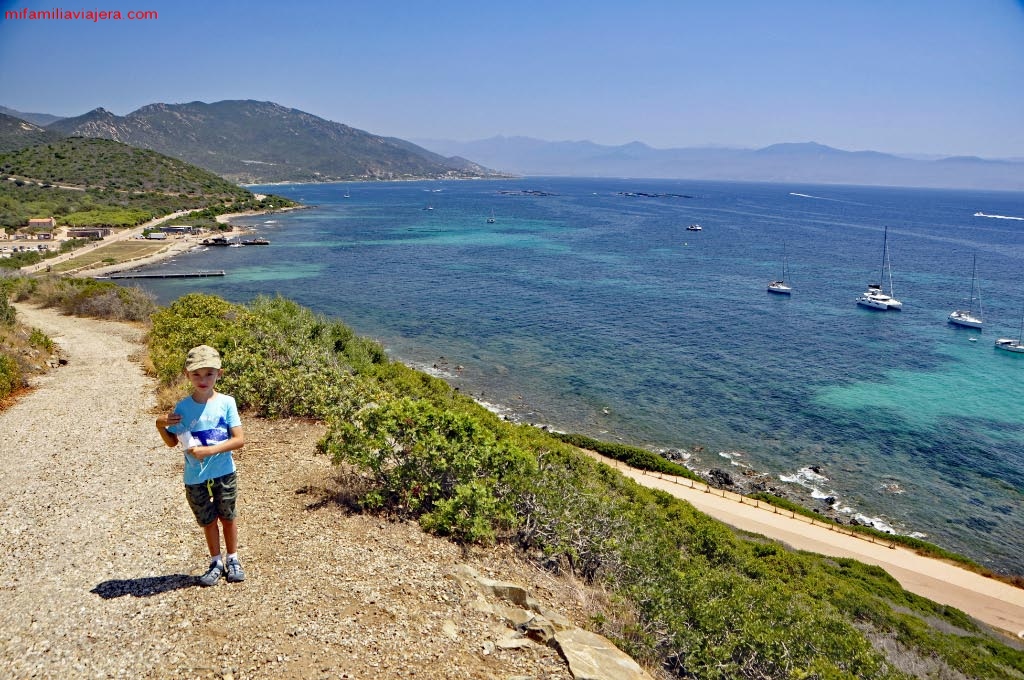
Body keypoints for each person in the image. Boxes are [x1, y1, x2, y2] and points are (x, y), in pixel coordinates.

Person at [156, 345, 246, 586]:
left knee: (228, 516)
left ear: (219, 373)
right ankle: (216, 561)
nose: (203, 379)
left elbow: (239, 439)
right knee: (207, 520)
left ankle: (233, 558)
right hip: (194, 476)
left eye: (209, 373)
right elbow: (172, 442)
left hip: (224, 472)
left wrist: (210, 450)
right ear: (187, 375)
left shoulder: (227, 402)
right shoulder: (182, 407)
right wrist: (159, 425)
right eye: (196, 374)